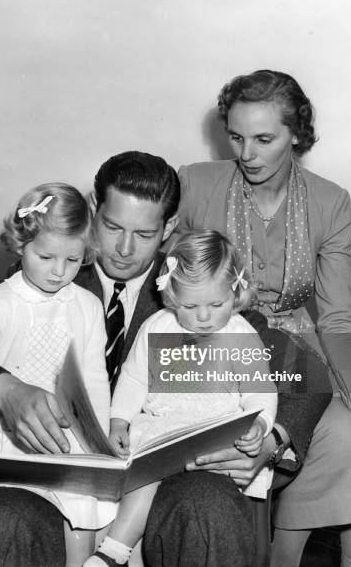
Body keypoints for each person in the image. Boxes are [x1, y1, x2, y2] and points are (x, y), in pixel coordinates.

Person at [0, 151, 331, 566]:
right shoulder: (49, 270)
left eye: (142, 234)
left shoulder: (197, 289)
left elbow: (308, 373)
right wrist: (3, 390)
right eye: (113, 226)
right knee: (6, 517)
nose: (122, 248)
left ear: (169, 228)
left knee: (207, 504)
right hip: (54, 476)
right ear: (95, 212)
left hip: (164, 482)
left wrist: (271, 441)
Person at [174, 70, 351, 567]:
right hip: (210, 354)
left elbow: (338, 315)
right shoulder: (193, 183)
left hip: (297, 361)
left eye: (263, 139)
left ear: (296, 134)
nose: (246, 153)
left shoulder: (330, 201)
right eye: (236, 137)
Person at [0, 182, 114, 565]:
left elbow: (94, 380)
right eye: (46, 257)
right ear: (20, 244)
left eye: (74, 260)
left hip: (66, 435)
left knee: (83, 509)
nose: (59, 272)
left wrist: (99, 445)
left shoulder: (87, 306)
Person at [85, 230, 278, 567]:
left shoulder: (240, 336)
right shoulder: (158, 327)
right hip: (162, 429)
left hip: (214, 436)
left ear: (235, 294)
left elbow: (260, 391)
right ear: (172, 295)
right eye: (190, 306)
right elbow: (133, 380)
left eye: (216, 304)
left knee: (205, 500)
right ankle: (116, 549)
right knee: (145, 477)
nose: (203, 316)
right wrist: (119, 421)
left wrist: (259, 424)